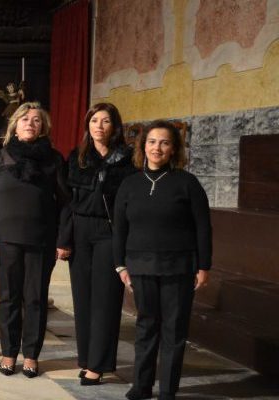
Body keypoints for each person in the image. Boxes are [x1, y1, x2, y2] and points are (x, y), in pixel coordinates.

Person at [114, 121, 211, 400]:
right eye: (152, 141)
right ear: (143, 146)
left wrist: (203, 266)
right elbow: (119, 228)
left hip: (179, 267)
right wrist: (120, 265)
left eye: (165, 142)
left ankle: (168, 389)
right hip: (140, 266)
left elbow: (203, 227)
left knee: (174, 330)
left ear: (173, 149)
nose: (157, 147)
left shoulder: (187, 183)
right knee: (145, 326)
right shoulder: (130, 184)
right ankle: (141, 385)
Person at [0, 102, 70, 378]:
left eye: (36, 120)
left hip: (42, 239)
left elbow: (65, 202)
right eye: (25, 119)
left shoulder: (53, 159)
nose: (30, 123)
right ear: (15, 125)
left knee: (36, 299)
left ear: (43, 128)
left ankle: (31, 355)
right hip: (6, 240)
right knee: (9, 298)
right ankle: (8, 352)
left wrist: (63, 240)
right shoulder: (0, 158)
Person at [62, 103, 137, 385]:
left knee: (106, 299)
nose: (99, 126)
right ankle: (87, 358)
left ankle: (99, 364)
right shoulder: (77, 157)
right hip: (81, 230)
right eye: (94, 121)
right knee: (83, 299)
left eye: (105, 121)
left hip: (110, 231)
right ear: (87, 125)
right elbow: (68, 203)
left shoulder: (127, 159)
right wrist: (64, 238)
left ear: (114, 126)